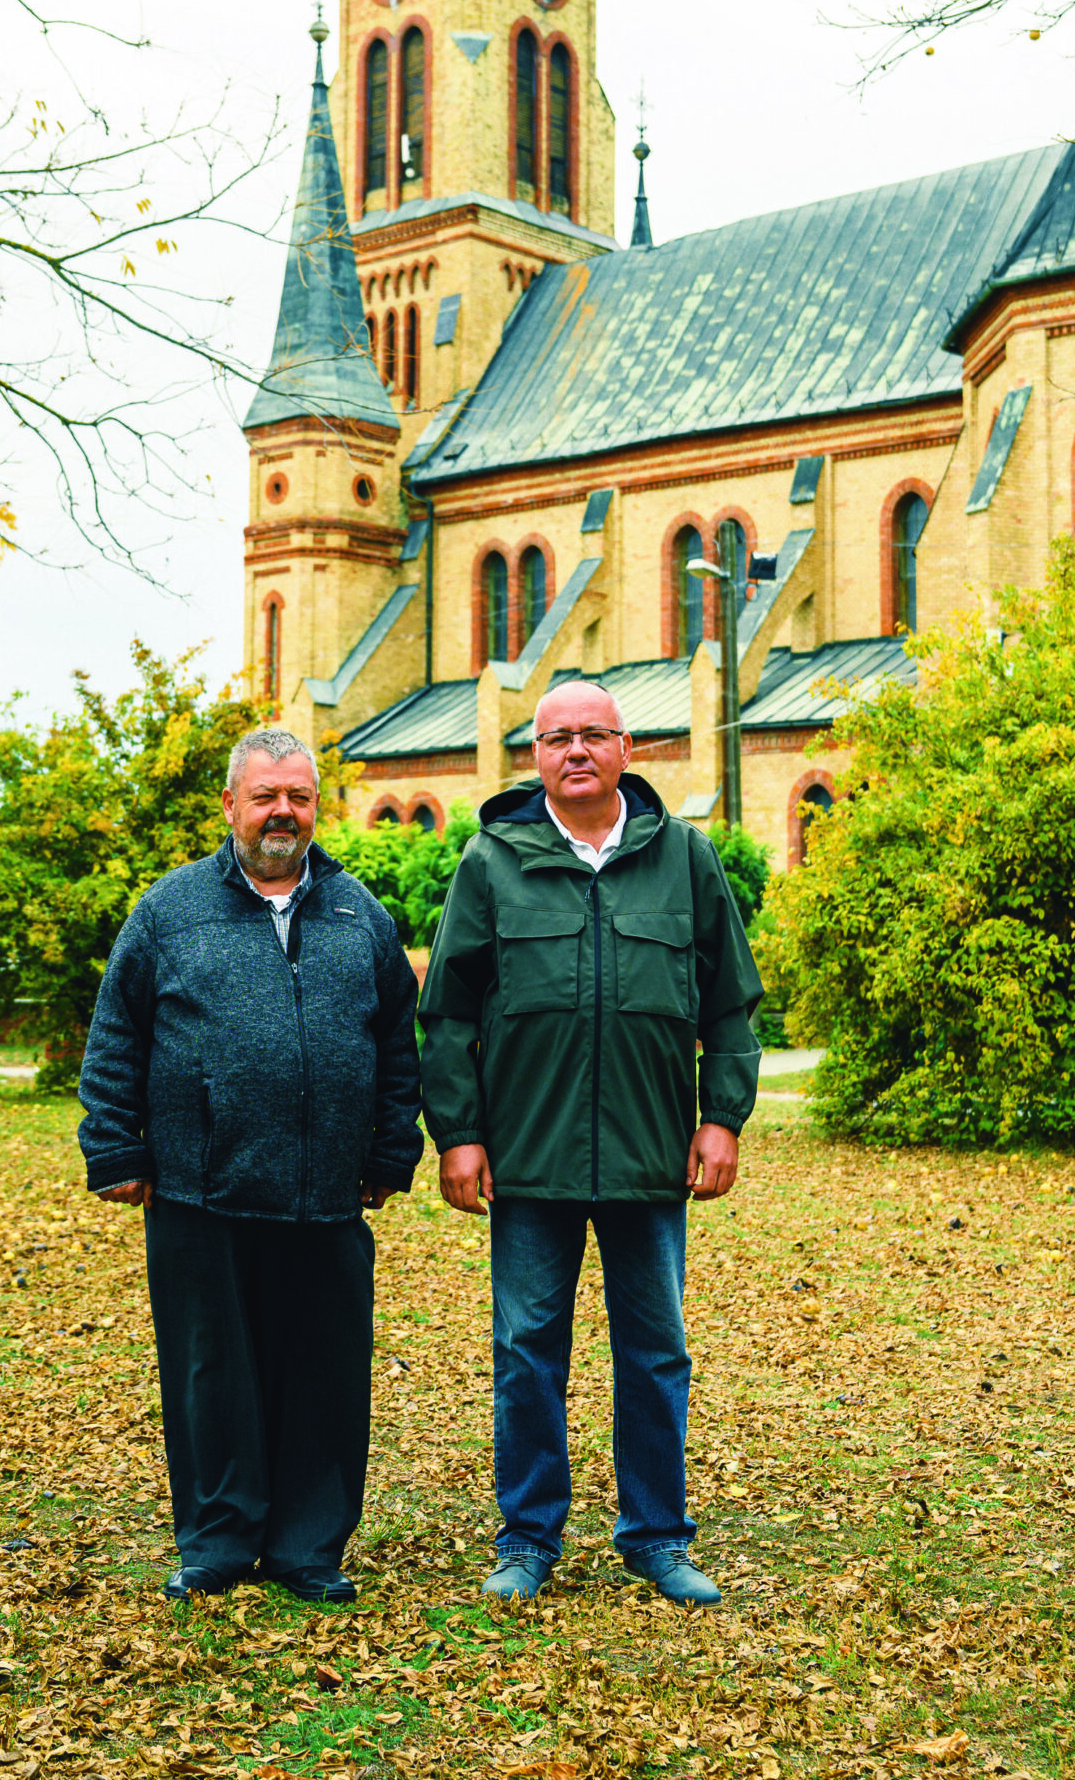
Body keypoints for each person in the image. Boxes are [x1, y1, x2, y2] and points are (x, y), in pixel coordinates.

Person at [418, 678, 763, 1608]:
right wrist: (459, 1135)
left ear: (625, 750)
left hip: (652, 1158)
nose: (575, 751)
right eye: (556, 738)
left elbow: (730, 1005)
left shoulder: (683, 858)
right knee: (528, 1349)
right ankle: (528, 1539)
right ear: (534, 757)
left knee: (655, 1351)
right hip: (529, 1160)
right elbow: (447, 1014)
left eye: (593, 736)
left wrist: (722, 1116)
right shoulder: (492, 862)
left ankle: (655, 1536)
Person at [76, 725, 424, 1604]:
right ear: (230, 805)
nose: (282, 812)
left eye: (298, 797)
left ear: (316, 807)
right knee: (211, 1374)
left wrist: (390, 1148)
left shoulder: (360, 915)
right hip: (201, 1189)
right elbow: (116, 1034)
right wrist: (115, 1148)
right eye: (265, 795)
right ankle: (219, 1543)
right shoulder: (170, 910)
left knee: (324, 1371)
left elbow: (395, 1044)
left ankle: (309, 1549)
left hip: (326, 1191)